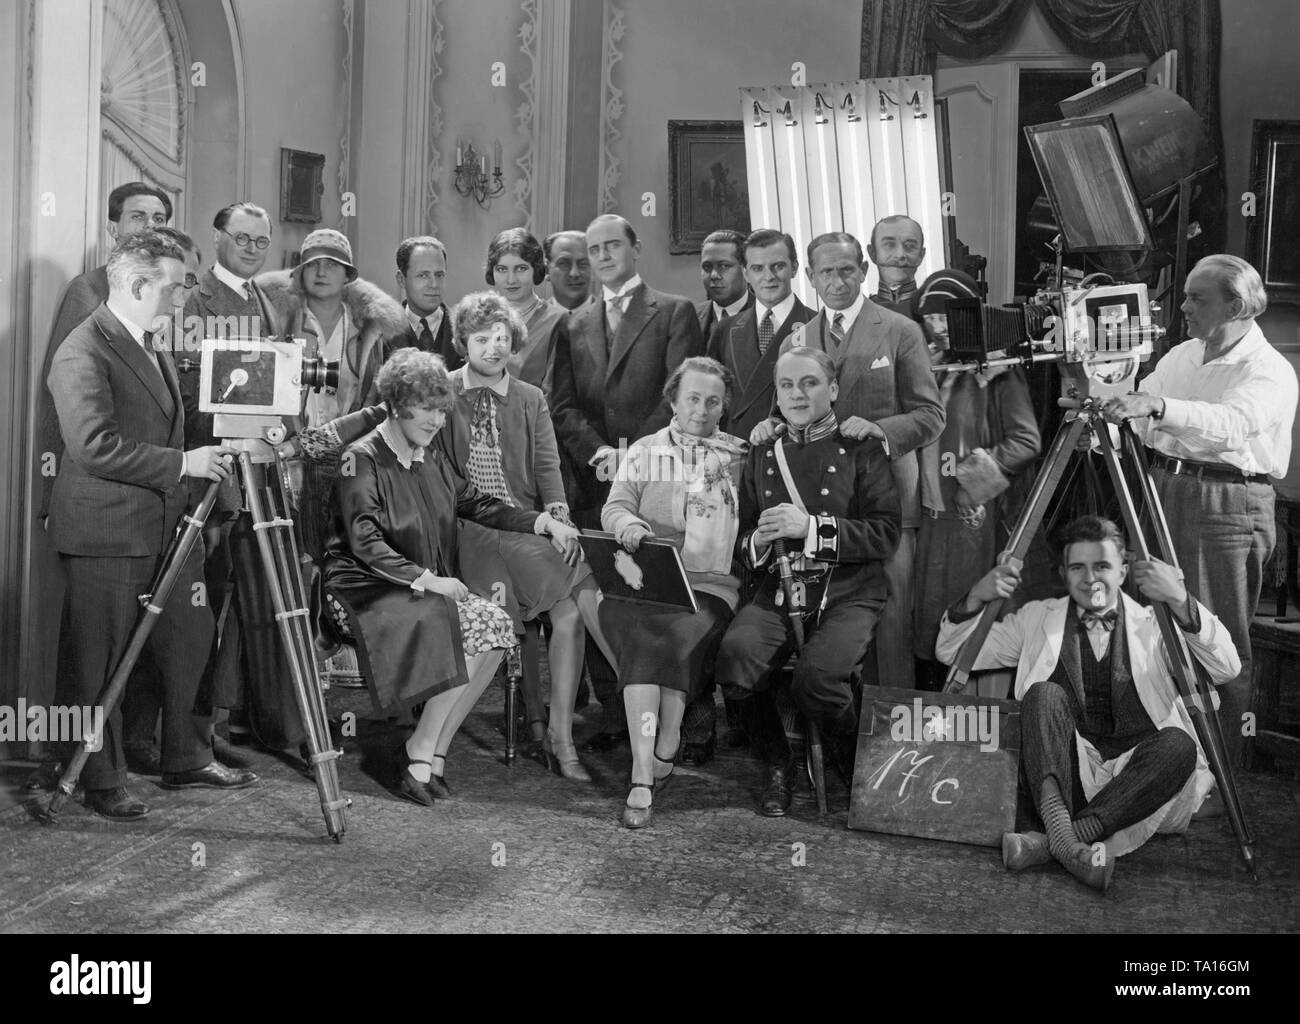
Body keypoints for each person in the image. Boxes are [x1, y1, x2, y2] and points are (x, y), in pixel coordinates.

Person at [47, 230, 257, 820]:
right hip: (107, 532)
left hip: (166, 527)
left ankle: (186, 758)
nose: (184, 297)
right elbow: (93, 446)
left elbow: (170, 421)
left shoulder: (148, 341)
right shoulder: (82, 349)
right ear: (138, 284)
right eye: (175, 285)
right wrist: (183, 464)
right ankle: (98, 777)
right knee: (101, 660)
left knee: (189, 640)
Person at [322, 349, 585, 806]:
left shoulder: (429, 457)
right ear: (398, 404)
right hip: (362, 587)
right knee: (472, 624)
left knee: (497, 626)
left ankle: (430, 749)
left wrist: (542, 522)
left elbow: (477, 502)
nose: (437, 420)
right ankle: (420, 754)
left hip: (414, 585)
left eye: (443, 410)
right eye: (427, 409)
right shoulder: (359, 459)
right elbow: (364, 543)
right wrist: (426, 579)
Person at [936, 516, 1241, 891]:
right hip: (1064, 782)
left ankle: (1053, 843)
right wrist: (977, 597)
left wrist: (1178, 597)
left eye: (1102, 566)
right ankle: (1070, 841)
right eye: (1078, 567)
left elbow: (1226, 667)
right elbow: (951, 651)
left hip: (1134, 788)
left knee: (1179, 745)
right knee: (1042, 696)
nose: (1089, 578)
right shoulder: (1035, 619)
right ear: (1063, 572)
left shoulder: (1154, 622)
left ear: (1124, 570)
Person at [1102, 254, 1298, 767]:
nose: (1183, 306)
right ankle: (1150, 759)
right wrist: (1111, 420)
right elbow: (1144, 416)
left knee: (1215, 635)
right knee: (1147, 620)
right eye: (1185, 294)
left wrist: (1157, 409)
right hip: (1164, 486)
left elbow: (1232, 424)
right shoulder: (1184, 355)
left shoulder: (1270, 370)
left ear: (1235, 305)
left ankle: (1219, 773)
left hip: (1228, 503)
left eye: (1196, 297)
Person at [436, 291, 617, 781]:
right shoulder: (443, 391)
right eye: (481, 338)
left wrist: (557, 518)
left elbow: (545, 466)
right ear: (462, 343)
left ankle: (561, 735)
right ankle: (632, 678)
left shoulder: (531, 397)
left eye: (502, 338)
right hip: (468, 528)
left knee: (572, 612)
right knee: (580, 589)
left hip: (526, 523)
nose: (493, 348)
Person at [755, 230, 944, 692]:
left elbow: (931, 415)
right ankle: (835, 719)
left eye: (846, 270)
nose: (837, 281)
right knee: (827, 613)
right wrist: (772, 425)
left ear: (863, 270)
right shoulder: (797, 340)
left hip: (887, 498)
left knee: (892, 614)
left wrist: (882, 430)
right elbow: (791, 409)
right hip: (817, 500)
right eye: (826, 272)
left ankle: (888, 731)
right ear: (810, 277)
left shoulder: (901, 330)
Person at [717, 349, 900, 816]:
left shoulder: (862, 447)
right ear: (776, 394)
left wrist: (810, 528)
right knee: (734, 663)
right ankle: (778, 764)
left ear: (833, 390)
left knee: (817, 682)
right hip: (779, 587)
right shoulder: (764, 450)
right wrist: (759, 539)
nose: (797, 394)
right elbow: (744, 537)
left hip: (849, 590)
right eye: (786, 385)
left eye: (810, 383)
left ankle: (852, 766)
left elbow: (885, 533)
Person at [551, 213, 705, 750]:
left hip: (658, 476)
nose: (603, 257)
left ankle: (678, 719)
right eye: (594, 250)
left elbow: (678, 395)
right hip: (595, 479)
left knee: (660, 594)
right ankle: (615, 713)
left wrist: (632, 457)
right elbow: (562, 405)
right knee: (605, 589)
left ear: (636, 248)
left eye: (613, 245)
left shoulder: (674, 311)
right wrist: (600, 454)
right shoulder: (573, 322)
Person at [599, 356, 748, 828]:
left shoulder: (741, 457)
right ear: (673, 400)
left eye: (713, 402)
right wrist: (631, 525)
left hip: (709, 585)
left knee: (677, 637)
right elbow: (615, 506)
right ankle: (646, 768)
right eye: (692, 399)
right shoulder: (644, 449)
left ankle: (667, 742)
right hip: (646, 582)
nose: (701, 410)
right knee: (645, 638)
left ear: (724, 407)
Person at [684, 227, 813, 762]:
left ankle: (774, 727)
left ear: (793, 269)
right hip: (733, 474)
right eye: (756, 269)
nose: (766, 278)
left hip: (790, 473)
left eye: (776, 267)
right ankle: (722, 714)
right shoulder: (730, 327)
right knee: (727, 583)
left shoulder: (814, 326)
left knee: (771, 592)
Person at [911, 269, 1040, 690]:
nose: (937, 326)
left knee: (968, 616)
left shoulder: (998, 368)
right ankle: (927, 714)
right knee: (926, 617)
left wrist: (974, 482)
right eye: (928, 318)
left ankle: (973, 719)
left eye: (946, 316)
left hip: (974, 520)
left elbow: (1026, 441)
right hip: (927, 518)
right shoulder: (923, 364)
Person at [258, 229, 409, 561]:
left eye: (332, 264)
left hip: (348, 455)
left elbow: (376, 398)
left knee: (343, 551)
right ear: (300, 272)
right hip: (290, 453)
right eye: (313, 264)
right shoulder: (280, 320)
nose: (322, 272)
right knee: (294, 555)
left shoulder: (368, 327)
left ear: (348, 275)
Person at [39, 181, 173, 522]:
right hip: (102, 499)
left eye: (159, 219)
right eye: (138, 217)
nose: (150, 227)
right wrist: (49, 491)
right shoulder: (90, 291)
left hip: (150, 493)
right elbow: (63, 399)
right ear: (113, 228)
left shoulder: (165, 294)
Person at [484, 227, 567, 393]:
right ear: (492, 272)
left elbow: (557, 393)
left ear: (535, 269)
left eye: (521, 268)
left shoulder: (557, 320)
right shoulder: (479, 318)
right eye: (501, 269)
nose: (511, 279)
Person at [394, 235, 463, 370]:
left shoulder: (467, 329)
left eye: (439, 275)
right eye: (423, 275)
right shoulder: (380, 334)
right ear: (401, 279)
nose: (434, 284)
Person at [695, 229, 752, 337]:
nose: (714, 275)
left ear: (745, 269)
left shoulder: (767, 316)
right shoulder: (690, 318)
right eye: (707, 267)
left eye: (724, 266)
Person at [868, 214, 926, 318]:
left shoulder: (932, 311)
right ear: (872, 253)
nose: (900, 255)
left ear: (921, 255)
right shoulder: (859, 313)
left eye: (910, 246)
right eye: (889, 245)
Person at [543, 230, 592, 312]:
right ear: (547, 270)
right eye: (564, 264)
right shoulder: (531, 322)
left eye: (583, 264)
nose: (574, 273)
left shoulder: (612, 318)